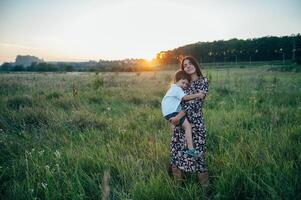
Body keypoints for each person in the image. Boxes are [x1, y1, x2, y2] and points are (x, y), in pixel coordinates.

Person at [169, 56, 209, 185]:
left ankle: (206, 193)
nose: (188, 66)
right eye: (185, 65)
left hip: (196, 125)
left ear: (195, 65)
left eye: (190, 63)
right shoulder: (183, 84)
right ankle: (178, 190)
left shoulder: (203, 81)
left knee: (199, 159)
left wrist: (178, 116)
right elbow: (173, 101)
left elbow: (195, 105)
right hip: (180, 126)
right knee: (176, 158)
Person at [161, 70, 206, 157]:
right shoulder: (177, 89)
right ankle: (191, 149)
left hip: (168, 113)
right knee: (188, 126)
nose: (184, 85)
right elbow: (185, 98)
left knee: (184, 114)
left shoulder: (173, 88)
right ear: (176, 81)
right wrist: (197, 95)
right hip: (172, 112)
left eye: (186, 84)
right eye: (183, 82)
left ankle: (174, 124)